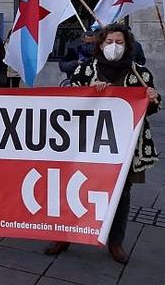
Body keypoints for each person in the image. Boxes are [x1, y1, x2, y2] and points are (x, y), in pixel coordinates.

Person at [44, 24, 160, 265]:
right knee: (76, 188)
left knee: (121, 194)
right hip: (87, 143)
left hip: (125, 147)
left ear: (128, 46)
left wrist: (152, 99)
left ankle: (115, 242)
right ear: (100, 44)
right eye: (109, 42)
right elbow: (71, 101)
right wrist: (90, 92)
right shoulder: (86, 70)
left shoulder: (140, 73)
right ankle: (65, 235)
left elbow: (149, 109)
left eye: (119, 42)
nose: (114, 47)